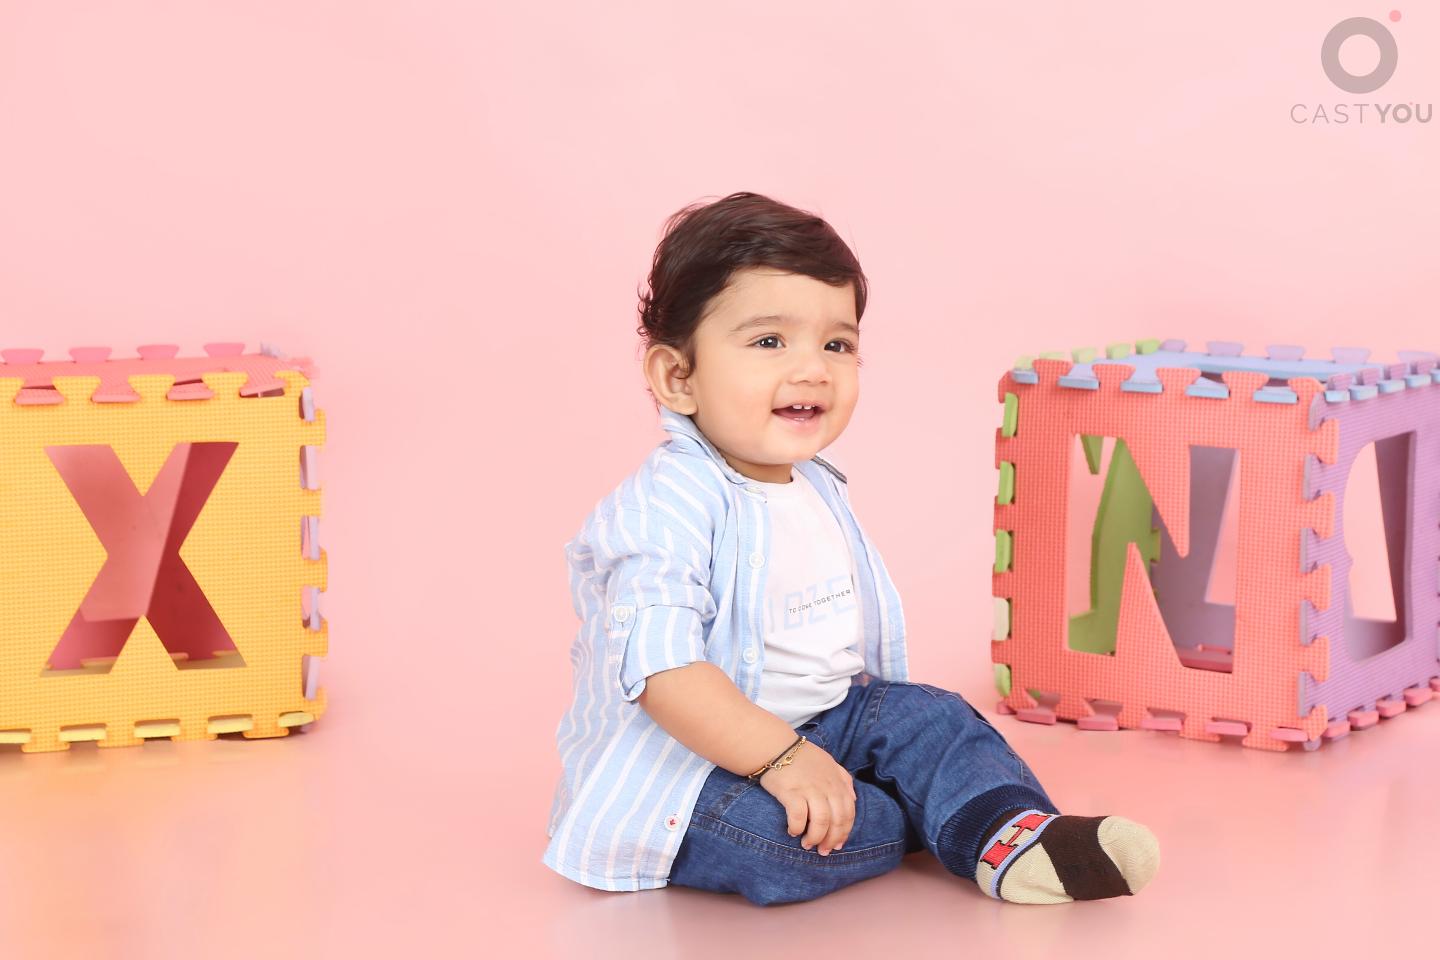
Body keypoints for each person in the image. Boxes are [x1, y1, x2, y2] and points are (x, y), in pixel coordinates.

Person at [542, 192, 1160, 906]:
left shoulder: (813, 482)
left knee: (932, 716)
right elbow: (664, 671)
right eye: (769, 342)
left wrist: (812, 750)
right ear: (678, 377)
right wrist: (781, 758)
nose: (813, 369)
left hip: (823, 724)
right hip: (687, 777)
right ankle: (936, 816)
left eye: (836, 345)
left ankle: (1018, 838)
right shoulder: (665, 506)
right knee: (781, 843)